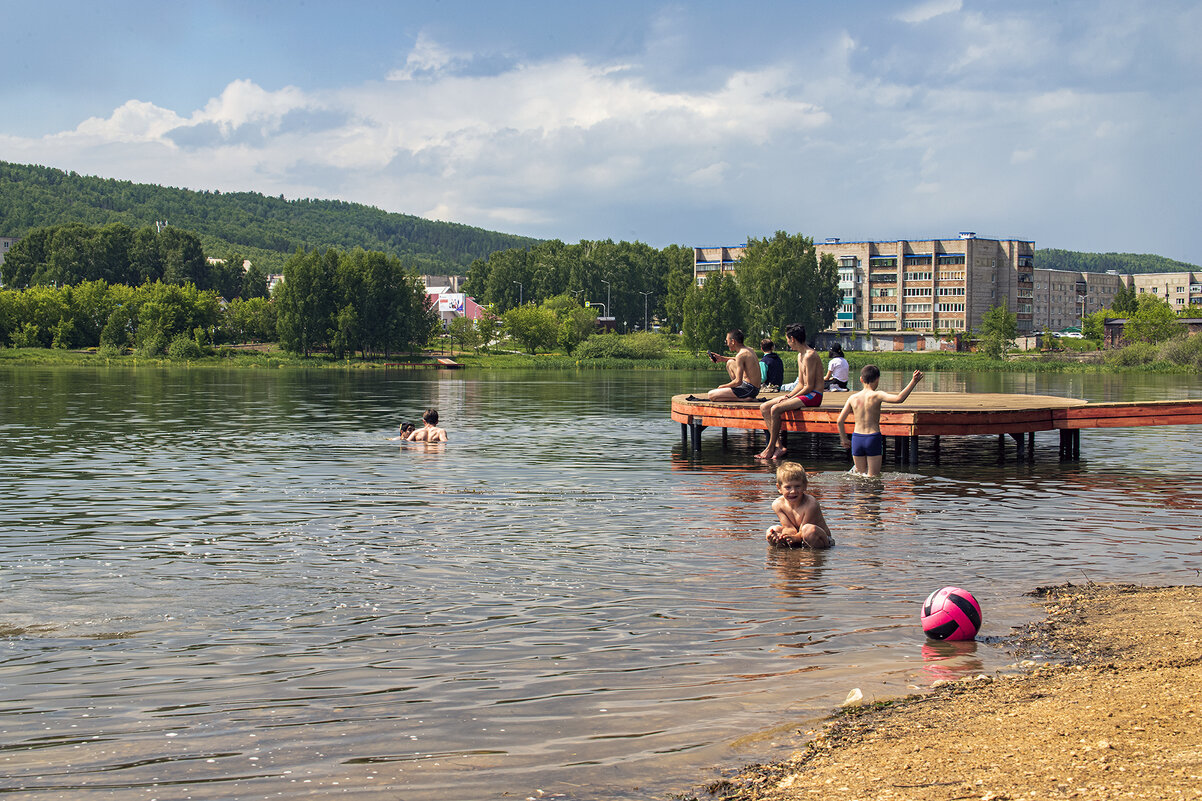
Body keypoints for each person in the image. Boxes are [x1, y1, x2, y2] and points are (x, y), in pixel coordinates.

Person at [836, 366, 924, 477]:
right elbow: (899, 398)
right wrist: (913, 382)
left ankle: (858, 494)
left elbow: (840, 420)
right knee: (873, 477)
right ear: (877, 379)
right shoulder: (877, 395)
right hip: (872, 438)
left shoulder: (852, 398)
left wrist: (843, 438)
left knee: (859, 476)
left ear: (861, 379)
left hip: (857, 438)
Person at [755, 323, 824, 460]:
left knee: (775, 409)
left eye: (787, 339)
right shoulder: (800, 356)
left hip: (814, 395)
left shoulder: (810, 355)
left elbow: (809, 386)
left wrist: (788, 399)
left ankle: (770, 448)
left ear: (792, 339)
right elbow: (800, 384)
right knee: (764, 407)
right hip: (804, 393)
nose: (788, 343)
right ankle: (778, 446)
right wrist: (788, 396)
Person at [766, 461, 833, 549]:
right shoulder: (777, 504)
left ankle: (814, 557)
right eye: (788, 487)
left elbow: (803, 531)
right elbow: (789, 528)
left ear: (805, 486)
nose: (793, 491)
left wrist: (795, 538)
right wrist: (780, 537)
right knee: (772, 530)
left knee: (808, 530)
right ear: (779, 488)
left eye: (797, 486)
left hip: (819, 539)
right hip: (795, 537)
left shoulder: (811, 504)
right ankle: (785, 556)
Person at [703, 329, 762, 402]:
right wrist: (722, 359)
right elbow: (739, 359)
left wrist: (722, 387)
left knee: (711, 395)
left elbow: (738, 382)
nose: (726, 344)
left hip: (748, 389)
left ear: (733, 341)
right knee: (730, 362)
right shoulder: (749, 350)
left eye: (726, 341)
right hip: (755, 389)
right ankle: (740, 394)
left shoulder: (740, 355)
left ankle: (744, 399)